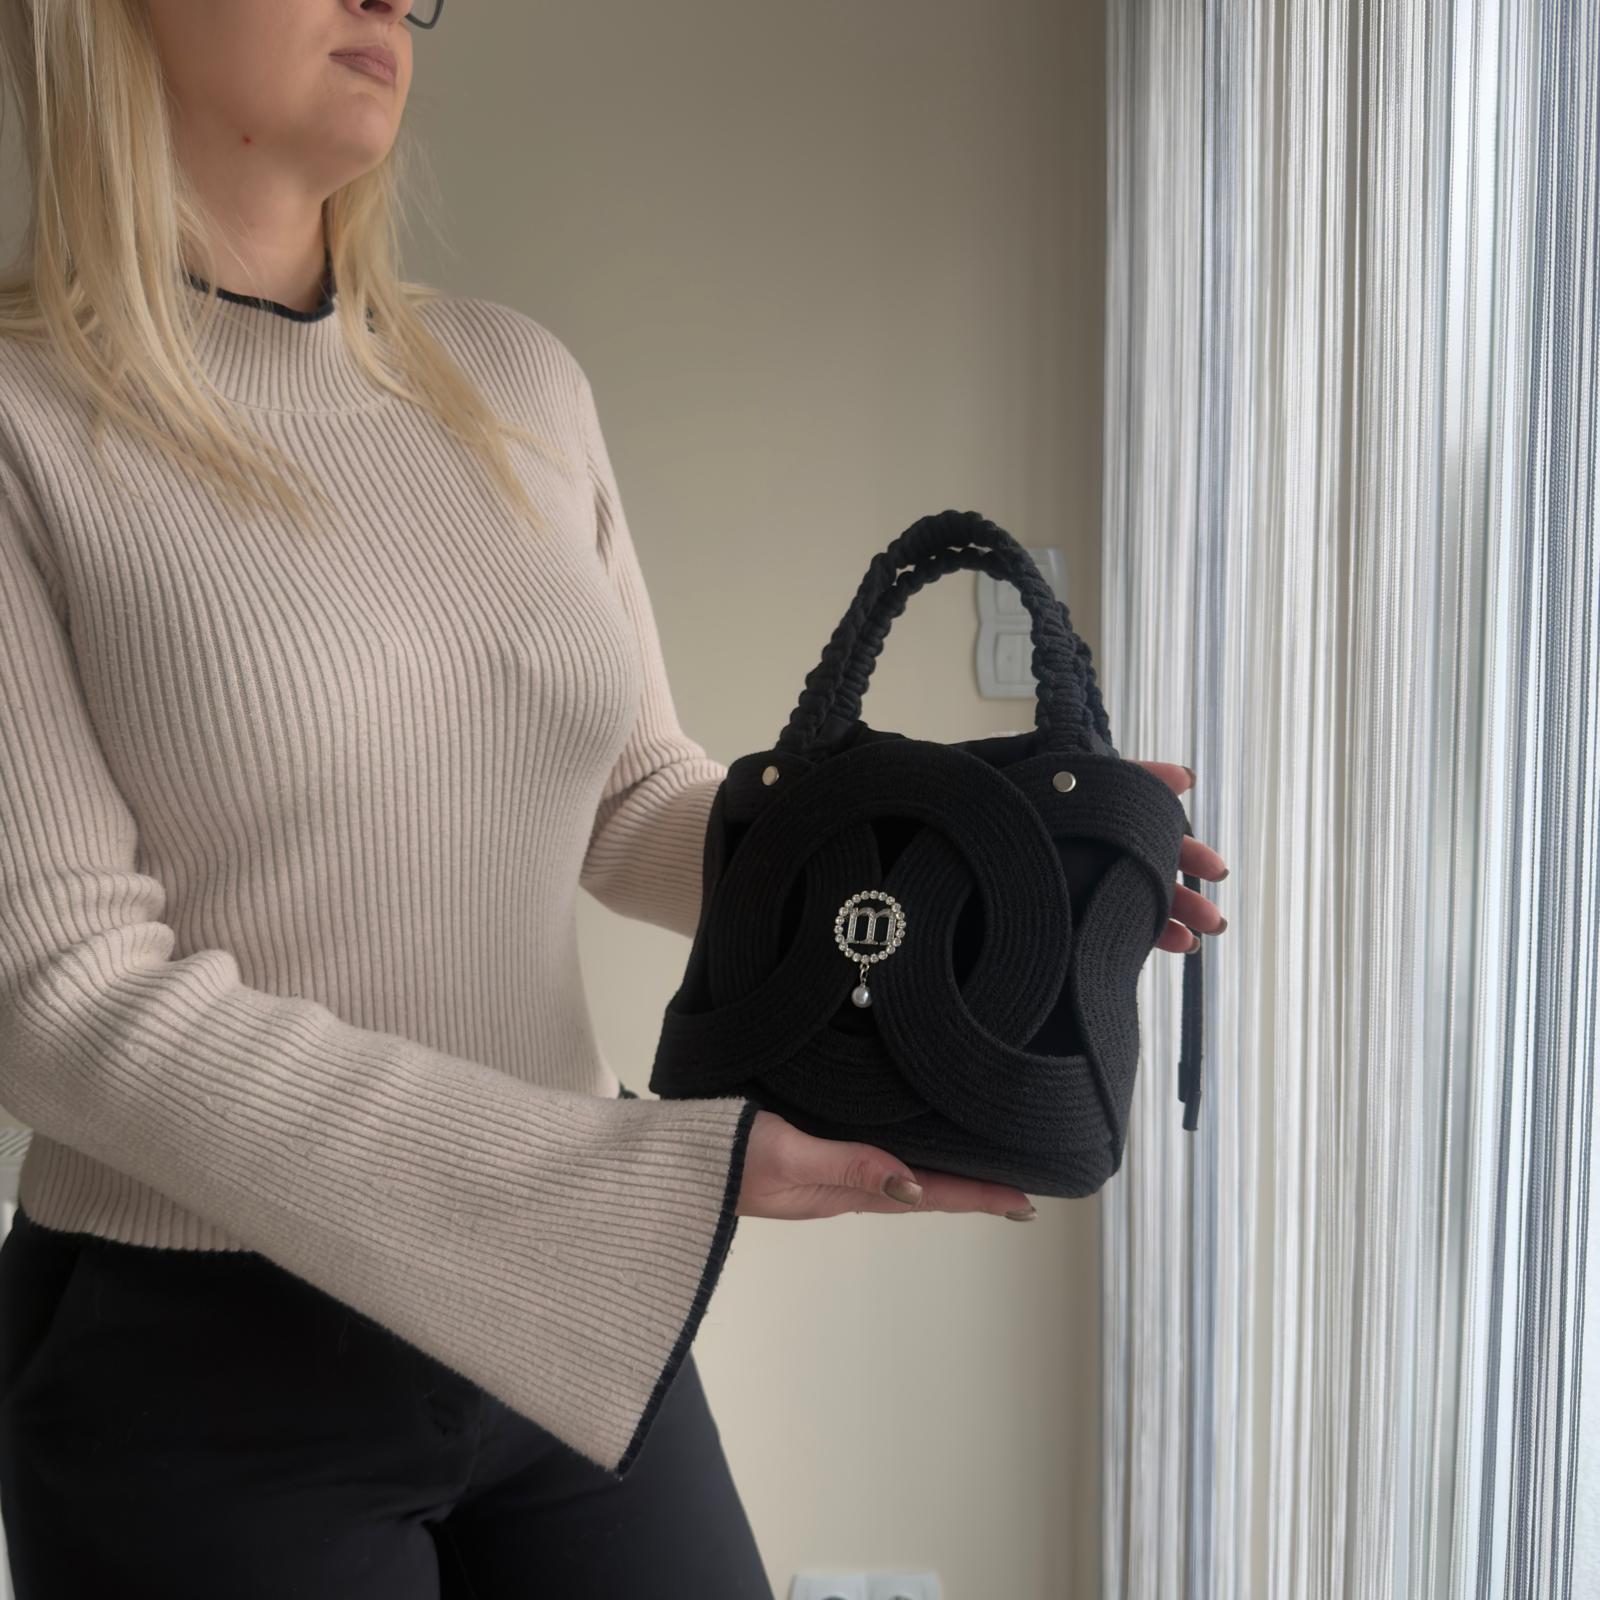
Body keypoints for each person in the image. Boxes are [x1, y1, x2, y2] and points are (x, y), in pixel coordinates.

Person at [0, 1, 1230, 1595]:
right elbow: (61, 998)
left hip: (554, 1311)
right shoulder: (25, 420)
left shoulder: (509, 379)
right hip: (197, 1366)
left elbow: (634, 795)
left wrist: (986, 875)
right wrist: (640, 1180)